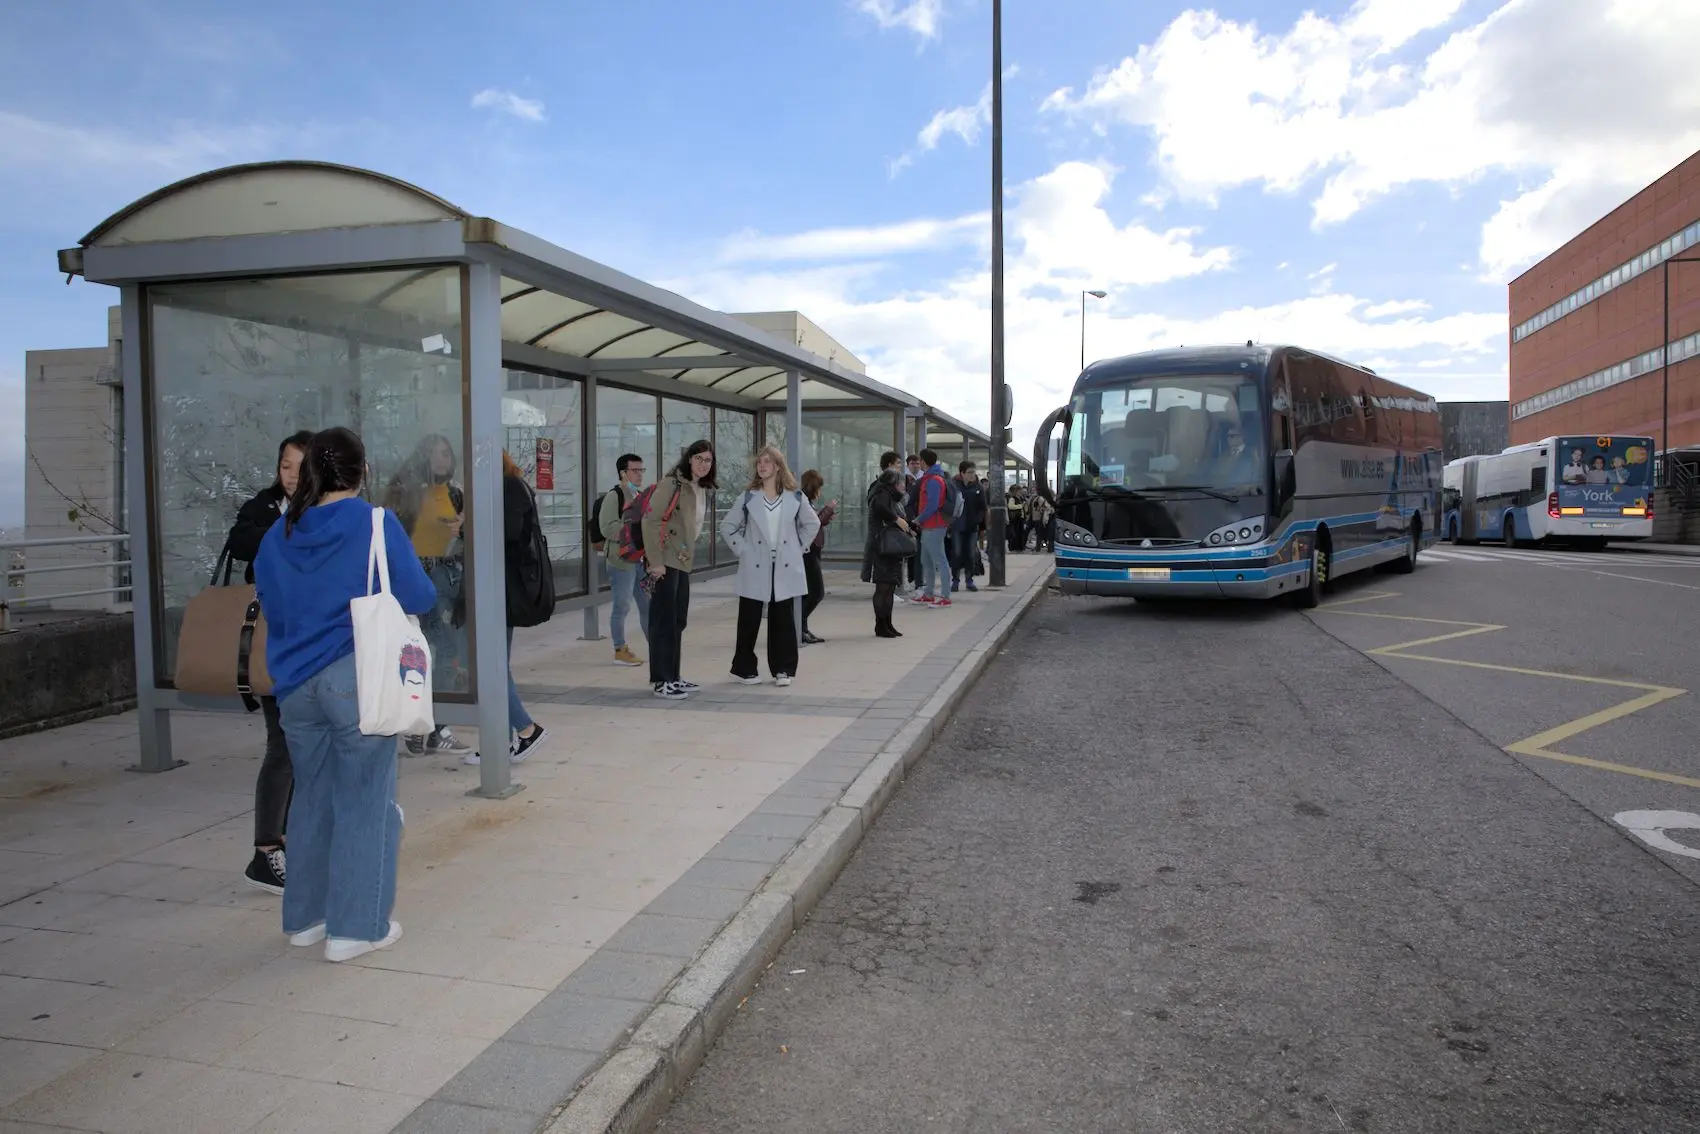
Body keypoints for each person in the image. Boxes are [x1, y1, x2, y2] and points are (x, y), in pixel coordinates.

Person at [254, 427, 437, 962]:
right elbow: (420, 595)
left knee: (311, 797)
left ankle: (306, 919)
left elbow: (270, 599)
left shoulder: (278, 533)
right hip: (355, 678)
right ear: (362, 472)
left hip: (294, 687)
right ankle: (357, 929)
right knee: (364, 800)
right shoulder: (375, 524)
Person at [226, 429, 313, 895]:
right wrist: (287, 531)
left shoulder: (326, 510)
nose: (292, 476)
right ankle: (265, 851)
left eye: (301, 467)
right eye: (285, 466)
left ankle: (292, 841)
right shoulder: (265, 507)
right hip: (273, 644)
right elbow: (240, 541)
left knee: (305, 747)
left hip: (312, 646)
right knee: (282, 745)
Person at [383, 434, 472, 757]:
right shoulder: (408, 494)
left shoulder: (456, 493)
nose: (442, 460)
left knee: (440, 652)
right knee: (438, 651)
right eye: (435, 454)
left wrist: (462, 530)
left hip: (451, 575)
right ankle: (432, 727)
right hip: (419, 578)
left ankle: (426, 724)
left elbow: (467, 537)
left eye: (446, 454)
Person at [465, 451, 552, 767]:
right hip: (499, 587)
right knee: (494, 663)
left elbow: (508, 535)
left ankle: (527, 729)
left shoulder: (509, 487)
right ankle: (499, 741)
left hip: (501, 589)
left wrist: (464, 529)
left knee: (493, 665)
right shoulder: (507, 486)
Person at [722, 446, 821, 687]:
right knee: (749, 617)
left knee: (783, 619)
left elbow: (812, 524)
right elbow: (727, 526)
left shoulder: (795, 496)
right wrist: (743, 550)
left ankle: (783, 669)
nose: (762, 466)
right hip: (755, 564)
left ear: (778, 466)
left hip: (784, 565)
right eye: (759, 463)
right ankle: (744, 668)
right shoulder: (748, 496)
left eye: (767, 462)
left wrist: (798, 548)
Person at [645, 440, 717, 700]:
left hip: (682, 562)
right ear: (689, 459)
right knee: (663, 622)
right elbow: (650, 520)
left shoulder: (698, 488)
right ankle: (662, 680)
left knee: (677, 621)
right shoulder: (672, 484)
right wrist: (655, 562)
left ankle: (673, 676)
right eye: (698, 458)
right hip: (665, 561)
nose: (703, 464)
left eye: (708, 460)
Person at [595, 453, 649, 668]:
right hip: (621, 561)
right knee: (622, 606)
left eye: (641, 470)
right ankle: (620, 649)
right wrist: (633, 530)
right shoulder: (615, 496)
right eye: (635, 470)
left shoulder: (641, 495)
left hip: (640, 560)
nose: (639, 475)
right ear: (623, 473)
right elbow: (606, 528)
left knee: (648, 606)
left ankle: (656, 646)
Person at [862, 452, 911, 638]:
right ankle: (880, 625)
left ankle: (888, 624)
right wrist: (897, 519)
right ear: (889, 466)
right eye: (898, 464)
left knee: (889, 586)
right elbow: (880, 509)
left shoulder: (889, 491)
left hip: (890, 544)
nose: (901, 467)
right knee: (883, 586)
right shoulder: (880, 489)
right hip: (881, 544)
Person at [799, 469, 837, 645]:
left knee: (808, 593)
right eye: (819, 488)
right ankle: (798, 624)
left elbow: (815, 522)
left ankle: (802, 628)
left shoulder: (806, 501)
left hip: (812, 550)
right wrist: (828, 510)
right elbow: (813, 522)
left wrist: (826, 515)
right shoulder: (802, 501)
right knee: (816, 592)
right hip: (807, 551)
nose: (820, 492)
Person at [913, 448, 954, 607]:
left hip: (934, 525)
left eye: (920, 461)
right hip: (929, 525)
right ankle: (928, 594)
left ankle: (945, 596)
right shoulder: (931, 478)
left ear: (923, 461)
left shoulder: (934, 480)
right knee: (927, 561)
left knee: (939, 560)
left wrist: (918, 519)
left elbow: (932, 505)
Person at [950, 460, 987, 593]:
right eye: (970, 472)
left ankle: (969, 580)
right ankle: (955, 580)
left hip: (972, 526)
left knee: (970, 554)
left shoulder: (977, 487)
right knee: (957, 553)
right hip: (957, 525)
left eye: (973, 472)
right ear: (962, 473)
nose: (972, 475)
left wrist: (978, 519)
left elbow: (982, 506)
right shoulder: (954, 486)